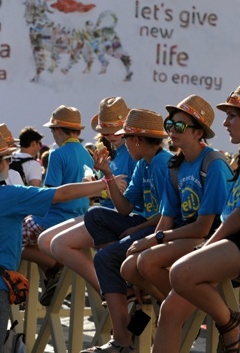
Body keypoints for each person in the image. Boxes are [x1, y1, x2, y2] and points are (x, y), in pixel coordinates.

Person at [0, 131, 117, 353]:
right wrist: (103, 183)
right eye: (6, 159)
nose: (9, 163)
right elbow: (60, 194)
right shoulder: (9, 195)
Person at [151, 84, 240, 353]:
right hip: (232, 237)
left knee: (180, 273)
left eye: (232, 116)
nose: (225, 123)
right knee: (169, 312)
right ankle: (229, 323)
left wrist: (207, 245)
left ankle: (229, 324)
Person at [121, 94, 233, 303]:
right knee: (128, 267)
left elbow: (204, 228)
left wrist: (156, 239)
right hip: (186, 236)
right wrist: (150, 240)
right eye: (170, 124)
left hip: (213, 239)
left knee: (147, 261)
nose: (172, 130)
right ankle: (179, 305)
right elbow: (166, 218)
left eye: (179, 126)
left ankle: (189, 309)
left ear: (198, 132)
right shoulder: (176, 166)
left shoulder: (213, 164)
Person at [78, 109, 172, 353]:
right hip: (144, 223)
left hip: (162, 228)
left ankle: (122, 341)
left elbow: (169, 215)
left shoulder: (163, 163)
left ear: (137, 140)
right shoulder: (144, 163)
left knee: (105, 258)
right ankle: (125, 283)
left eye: (126, 139)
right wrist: (107, 174)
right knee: (95, 215)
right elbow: (123, 208)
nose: (124, 145)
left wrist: (137, 230)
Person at [37, 97, 134, 297]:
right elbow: (107, 188)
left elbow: (127, 195)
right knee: (45, 241)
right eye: (104, 132)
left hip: (114, 216)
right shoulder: (111, 152)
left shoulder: (132, 152)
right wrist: (96, 185)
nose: (109, 135)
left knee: (54, 243)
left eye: (115, 131)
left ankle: (109, 289)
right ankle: (108, 286)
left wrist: (101, 186)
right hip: (101, 213)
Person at [21, 105, 94, 305]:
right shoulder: (87, 154)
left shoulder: (57, 154)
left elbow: (51, 193)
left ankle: (53, 266)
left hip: (54, 217)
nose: (52, 134)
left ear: (58, 130)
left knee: (10, 238)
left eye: (52, 130)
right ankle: (51, 273)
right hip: (78, 216)